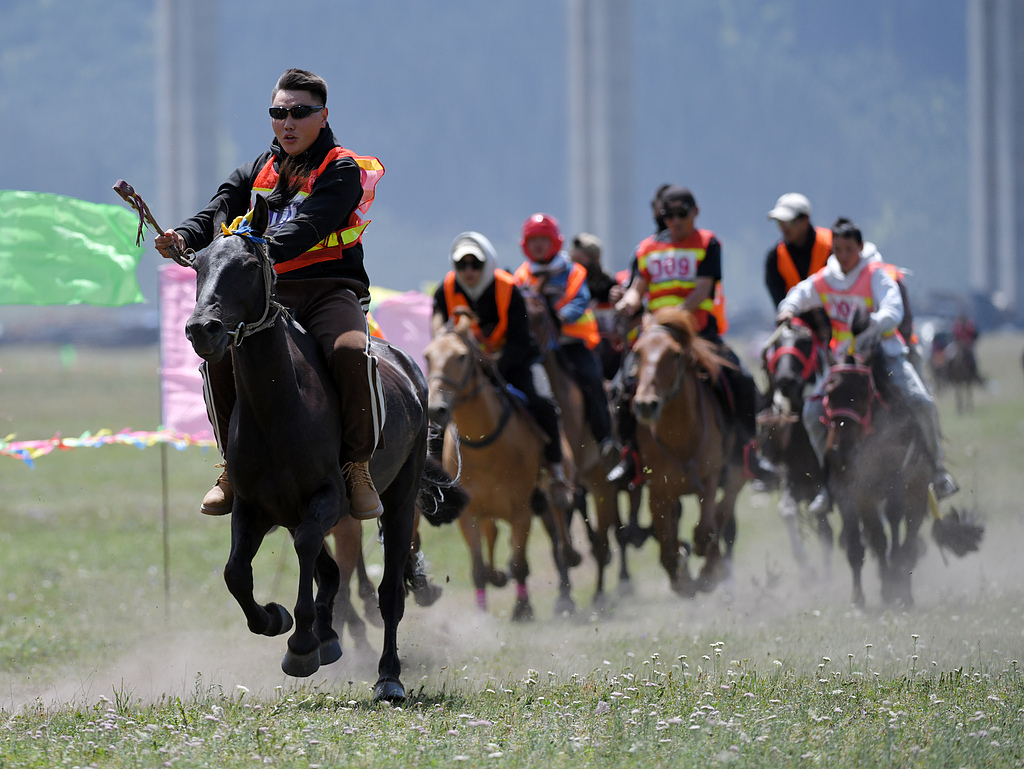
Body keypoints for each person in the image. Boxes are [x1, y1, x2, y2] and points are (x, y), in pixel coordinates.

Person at [155, 68, 387, 520]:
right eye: (279, 113)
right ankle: (231, 467)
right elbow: (216, 211)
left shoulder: (342, 169)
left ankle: (357, 466)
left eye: (299, 113)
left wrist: (251, 249)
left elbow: (309, 227)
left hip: (329, 291)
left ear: (323, 116)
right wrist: (182, 236)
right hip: (269, 296)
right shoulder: (254, 170)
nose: (287, 122)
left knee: (350, 351)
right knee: (217, 356)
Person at [776, 217, 959, 513]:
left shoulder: (875, 274)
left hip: (883, 355)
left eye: (849, 249)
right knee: (811, 412)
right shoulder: (826, 278)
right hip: (844, 362)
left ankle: (938, 471)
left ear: (860, 248)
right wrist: (788, 309)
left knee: (921, 402)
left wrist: (873, 324)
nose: (843, 256)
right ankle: (827, 483)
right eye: (838, 250)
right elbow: (801, 293)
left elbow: (893, 308)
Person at [608, 185, 777, 487]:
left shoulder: (708, 243)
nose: (675, 221)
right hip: (656, 338)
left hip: (699, 335)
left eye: (681, 214)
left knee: (741, 380)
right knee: (622, 387)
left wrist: (672, 319)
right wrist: (626, 303)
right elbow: (637, 289)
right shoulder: (646, 249)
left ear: (695, 212)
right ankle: (629, 456)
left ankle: (748, 452)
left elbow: (702, 290)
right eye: (668, 215)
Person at [431, 231, 573, 501]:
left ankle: (556, 471)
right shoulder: (445, 289)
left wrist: (495, 368)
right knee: (437, 405)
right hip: (470, 366)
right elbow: (438, 321)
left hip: (517, 361)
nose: (469, 271)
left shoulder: (509, 288)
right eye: (462, 264)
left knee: (543, 402)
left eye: (475, 264)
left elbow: (520, 341)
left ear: (487, 263)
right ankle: (436, 472)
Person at [514, 214, 617, 466]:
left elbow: (580, 301)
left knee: (592, 380)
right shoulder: (522, 275)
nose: (538, 245)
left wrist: (559, 318)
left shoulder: (573, 271)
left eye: (543, 239)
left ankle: (605, 440)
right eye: (533, 240)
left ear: (555, 242)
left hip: (572, 344)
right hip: (536, 348)